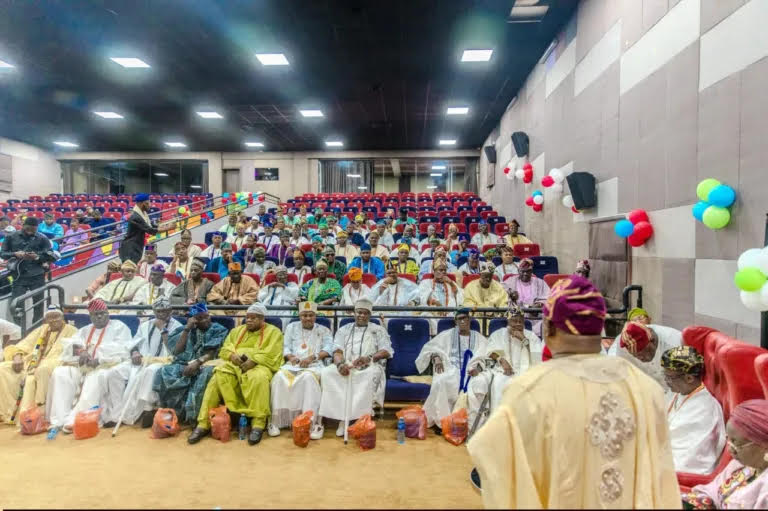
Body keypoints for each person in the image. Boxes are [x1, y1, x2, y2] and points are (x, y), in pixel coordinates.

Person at [468, 276, 680, 508]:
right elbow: (661, 477)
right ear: (600, 326)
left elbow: (489, 457)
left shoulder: (528, 392)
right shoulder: (645, 390)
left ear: (548, 329)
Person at [188, 303, 283, 445]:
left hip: (260, 366)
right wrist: (232, 356)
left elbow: (274, 353)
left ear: (262, 319)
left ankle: (258, 424)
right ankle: (203, 424)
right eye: (247, 317)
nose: (249, 320)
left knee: (259, 379)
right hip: (235, 365)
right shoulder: (237, 331)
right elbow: (225, 349)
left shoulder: (274, 332)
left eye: (254, 318)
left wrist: (254, 361)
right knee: (217, 377)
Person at [47, 299, 133, 431]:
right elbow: (71, 344)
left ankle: (80, 419)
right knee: (60, 373)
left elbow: (122, 349)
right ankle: (59, 418)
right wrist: (81, 351)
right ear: (90, 316)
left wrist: (99, 359)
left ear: (107, 313)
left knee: (95, 377)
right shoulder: (85, 330)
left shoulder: (119, 327)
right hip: (83, 366)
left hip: (105, 366)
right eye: (96, 314)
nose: (99, 316)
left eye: (102, 313)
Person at [318, 298, 393, 436]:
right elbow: (337, 350)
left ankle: (358, 418)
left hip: (369, 365)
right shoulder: (344, 329)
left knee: (367, 376)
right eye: (359, 312)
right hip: (347, 363)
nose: (362, 316)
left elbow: (387, 350)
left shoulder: (378, 330)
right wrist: (340, 364)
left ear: (370, 315)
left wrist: (369, 358)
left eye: (365, 313)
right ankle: (342, 417)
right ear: (354, 313)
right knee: (328, 373)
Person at [682, 399, 768, 509]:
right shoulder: (740, 465)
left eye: (736, 443)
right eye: (729, 440)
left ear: (763, 444)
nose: (730, 449)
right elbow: (711, 493)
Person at [467, 306, 543, 429]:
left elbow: (538, 359)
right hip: (502, 373)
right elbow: (490, 351)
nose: (518, 324)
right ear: (508, 321)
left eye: (520, 321)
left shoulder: (531, 336)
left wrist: (524, 340)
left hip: (525, 373)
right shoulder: (498, 334)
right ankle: (499, 428)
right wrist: (501, 360)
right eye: (514, 321)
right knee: (498, 384)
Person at [109, 299, 182, 426]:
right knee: (114, 372)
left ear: (170, 311)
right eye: (158, 311)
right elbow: (134, 343)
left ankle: (147, 409)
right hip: (141, 360)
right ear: (154, 311)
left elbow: (174, 349)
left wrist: (162, 329)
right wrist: (135, 352)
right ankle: (116, 413)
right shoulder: (145, 325)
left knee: (150, 371)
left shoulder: (178, 326)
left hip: (164, 361)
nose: (161, 314)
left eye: (164, 311)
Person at [153, 303, 228, 424]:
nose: (205, 320)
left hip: (207, 363)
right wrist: (187, 329)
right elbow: (176, 351)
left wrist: (198, 362)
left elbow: (212, 352)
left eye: (206, 316)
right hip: (186, 362)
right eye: (200, 318)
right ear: (193, 320)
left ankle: (194, 417)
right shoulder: (186, 329)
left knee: (203, 377)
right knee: (163, 371)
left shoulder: (218, 329)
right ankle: (172, 412)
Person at [0, 306, 77, 423]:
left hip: (55, 363)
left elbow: (72, 354)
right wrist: (17, 357)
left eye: (56, 317)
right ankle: (6, 412)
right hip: (31, 363)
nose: (53, 320)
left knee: (42, 370)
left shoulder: (71, 330)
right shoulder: (43, 329)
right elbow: (23, 344)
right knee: (3, 368)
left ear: (62, 318)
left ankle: (40, 412)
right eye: (49, 318)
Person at [268, 301, 332, 439]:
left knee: (308, 379)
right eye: (304, 315)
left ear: (315, 315)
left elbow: (328, 348)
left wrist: (312, 358)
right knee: (278, 377)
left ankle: (312, 422)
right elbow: (285, 346)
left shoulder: (324, 330)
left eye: (310, 315)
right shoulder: (291, 327)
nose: (307, 318)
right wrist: (290, 356)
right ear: (299, 315)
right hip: (293, 364)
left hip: (314, 365)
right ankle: (277, 421)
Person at [661, 345, 726, 474]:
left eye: (670, 378)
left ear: (689, 378)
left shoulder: (703, 410)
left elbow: (685, 461)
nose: (666, 382)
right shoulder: (679, 392)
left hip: (683, 474)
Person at [1, 217, 55, 324]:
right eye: (28, 228)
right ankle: (19, 331)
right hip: (18, 276)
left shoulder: (42, 238)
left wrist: (37, 257)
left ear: (37, 228)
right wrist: (15, 254)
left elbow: (51, 256)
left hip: (37, 276)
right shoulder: (11, 237)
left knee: (39, 305)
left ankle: (36, 329)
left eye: (33, 229)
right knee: (17, 306)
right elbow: (2, 253)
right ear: (23, 226)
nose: (30, 231)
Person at [617, 320, 682, 391]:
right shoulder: (625, 345)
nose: (640, 358)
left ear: (653, 341)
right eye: (635, 356)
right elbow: (625, 376)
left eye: (644, 353)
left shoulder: (676, 345)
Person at [504, 258, 550, 334]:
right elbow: (501, 291)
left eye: (528, 271)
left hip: (534, 317)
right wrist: (511, 293)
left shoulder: (540, 282)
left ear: (531, 272)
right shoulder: (511, 281)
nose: (525, 274)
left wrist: (539, 304)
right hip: (515, 316)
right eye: (523, 271)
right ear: (518, 271)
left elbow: (548, 297)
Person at [418, 260, 463, 333]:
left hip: (449, 313)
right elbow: (422, 297)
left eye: (445, 270)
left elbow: (459, 296)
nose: (443, 272)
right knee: (425, 316)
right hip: (433, 313)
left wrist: (451, 283)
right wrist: (435, 303)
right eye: (441, 270)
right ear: (434, 271)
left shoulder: (450, 283)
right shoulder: (426, 282)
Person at [119, 194, 166, 264]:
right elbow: (150, 230)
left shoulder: (142, 215)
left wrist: (161, 226)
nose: (149, 205)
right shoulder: (136, 217)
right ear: (140, 204)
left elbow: (150, 225)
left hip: (134, 247)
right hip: (130, 249)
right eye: (147, 203)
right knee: (130, 271)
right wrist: (168, 228)